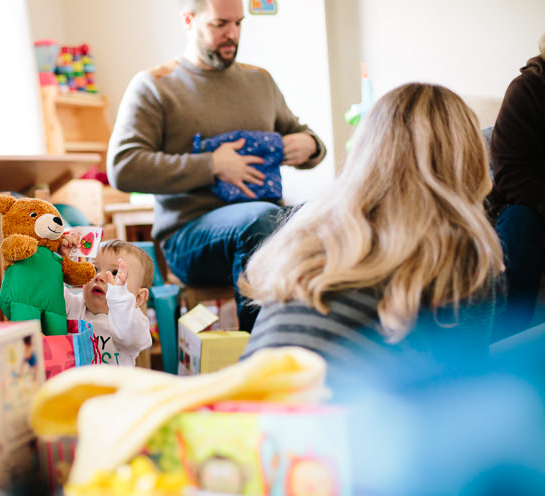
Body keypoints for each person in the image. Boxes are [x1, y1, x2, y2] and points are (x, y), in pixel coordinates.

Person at [238, 82, 505, 366]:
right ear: (470, 158)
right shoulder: (462, 249)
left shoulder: (310, 225)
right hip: (337, 406)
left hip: (247, 400)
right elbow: (466, 380)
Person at [106, 0, 326, 332]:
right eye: (220, 24)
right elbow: (123, 167)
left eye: (239, 24)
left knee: (337, 214)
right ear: (188, 20)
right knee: (261, 222)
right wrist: (212, 165)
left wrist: (311, 146)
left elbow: (301, 133)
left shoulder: (260, 82)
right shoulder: (155, 85)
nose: (232, 35)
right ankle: (262, 356)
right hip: (190, 238)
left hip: (264, 222)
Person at [485, 33, 545, 340]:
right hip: (526, 204)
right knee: (520, 224)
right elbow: (512, 174)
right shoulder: (528, 90)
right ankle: (504, 339)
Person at [59, 238, 154, 366]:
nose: (99, 277)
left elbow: (130, 334)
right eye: (95, 268)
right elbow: (52, 292)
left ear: (138, 298)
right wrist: (60, 259)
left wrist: (119, 296)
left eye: (115, 273)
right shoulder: (75, 306)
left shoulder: (133, 322)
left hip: (116, 386)